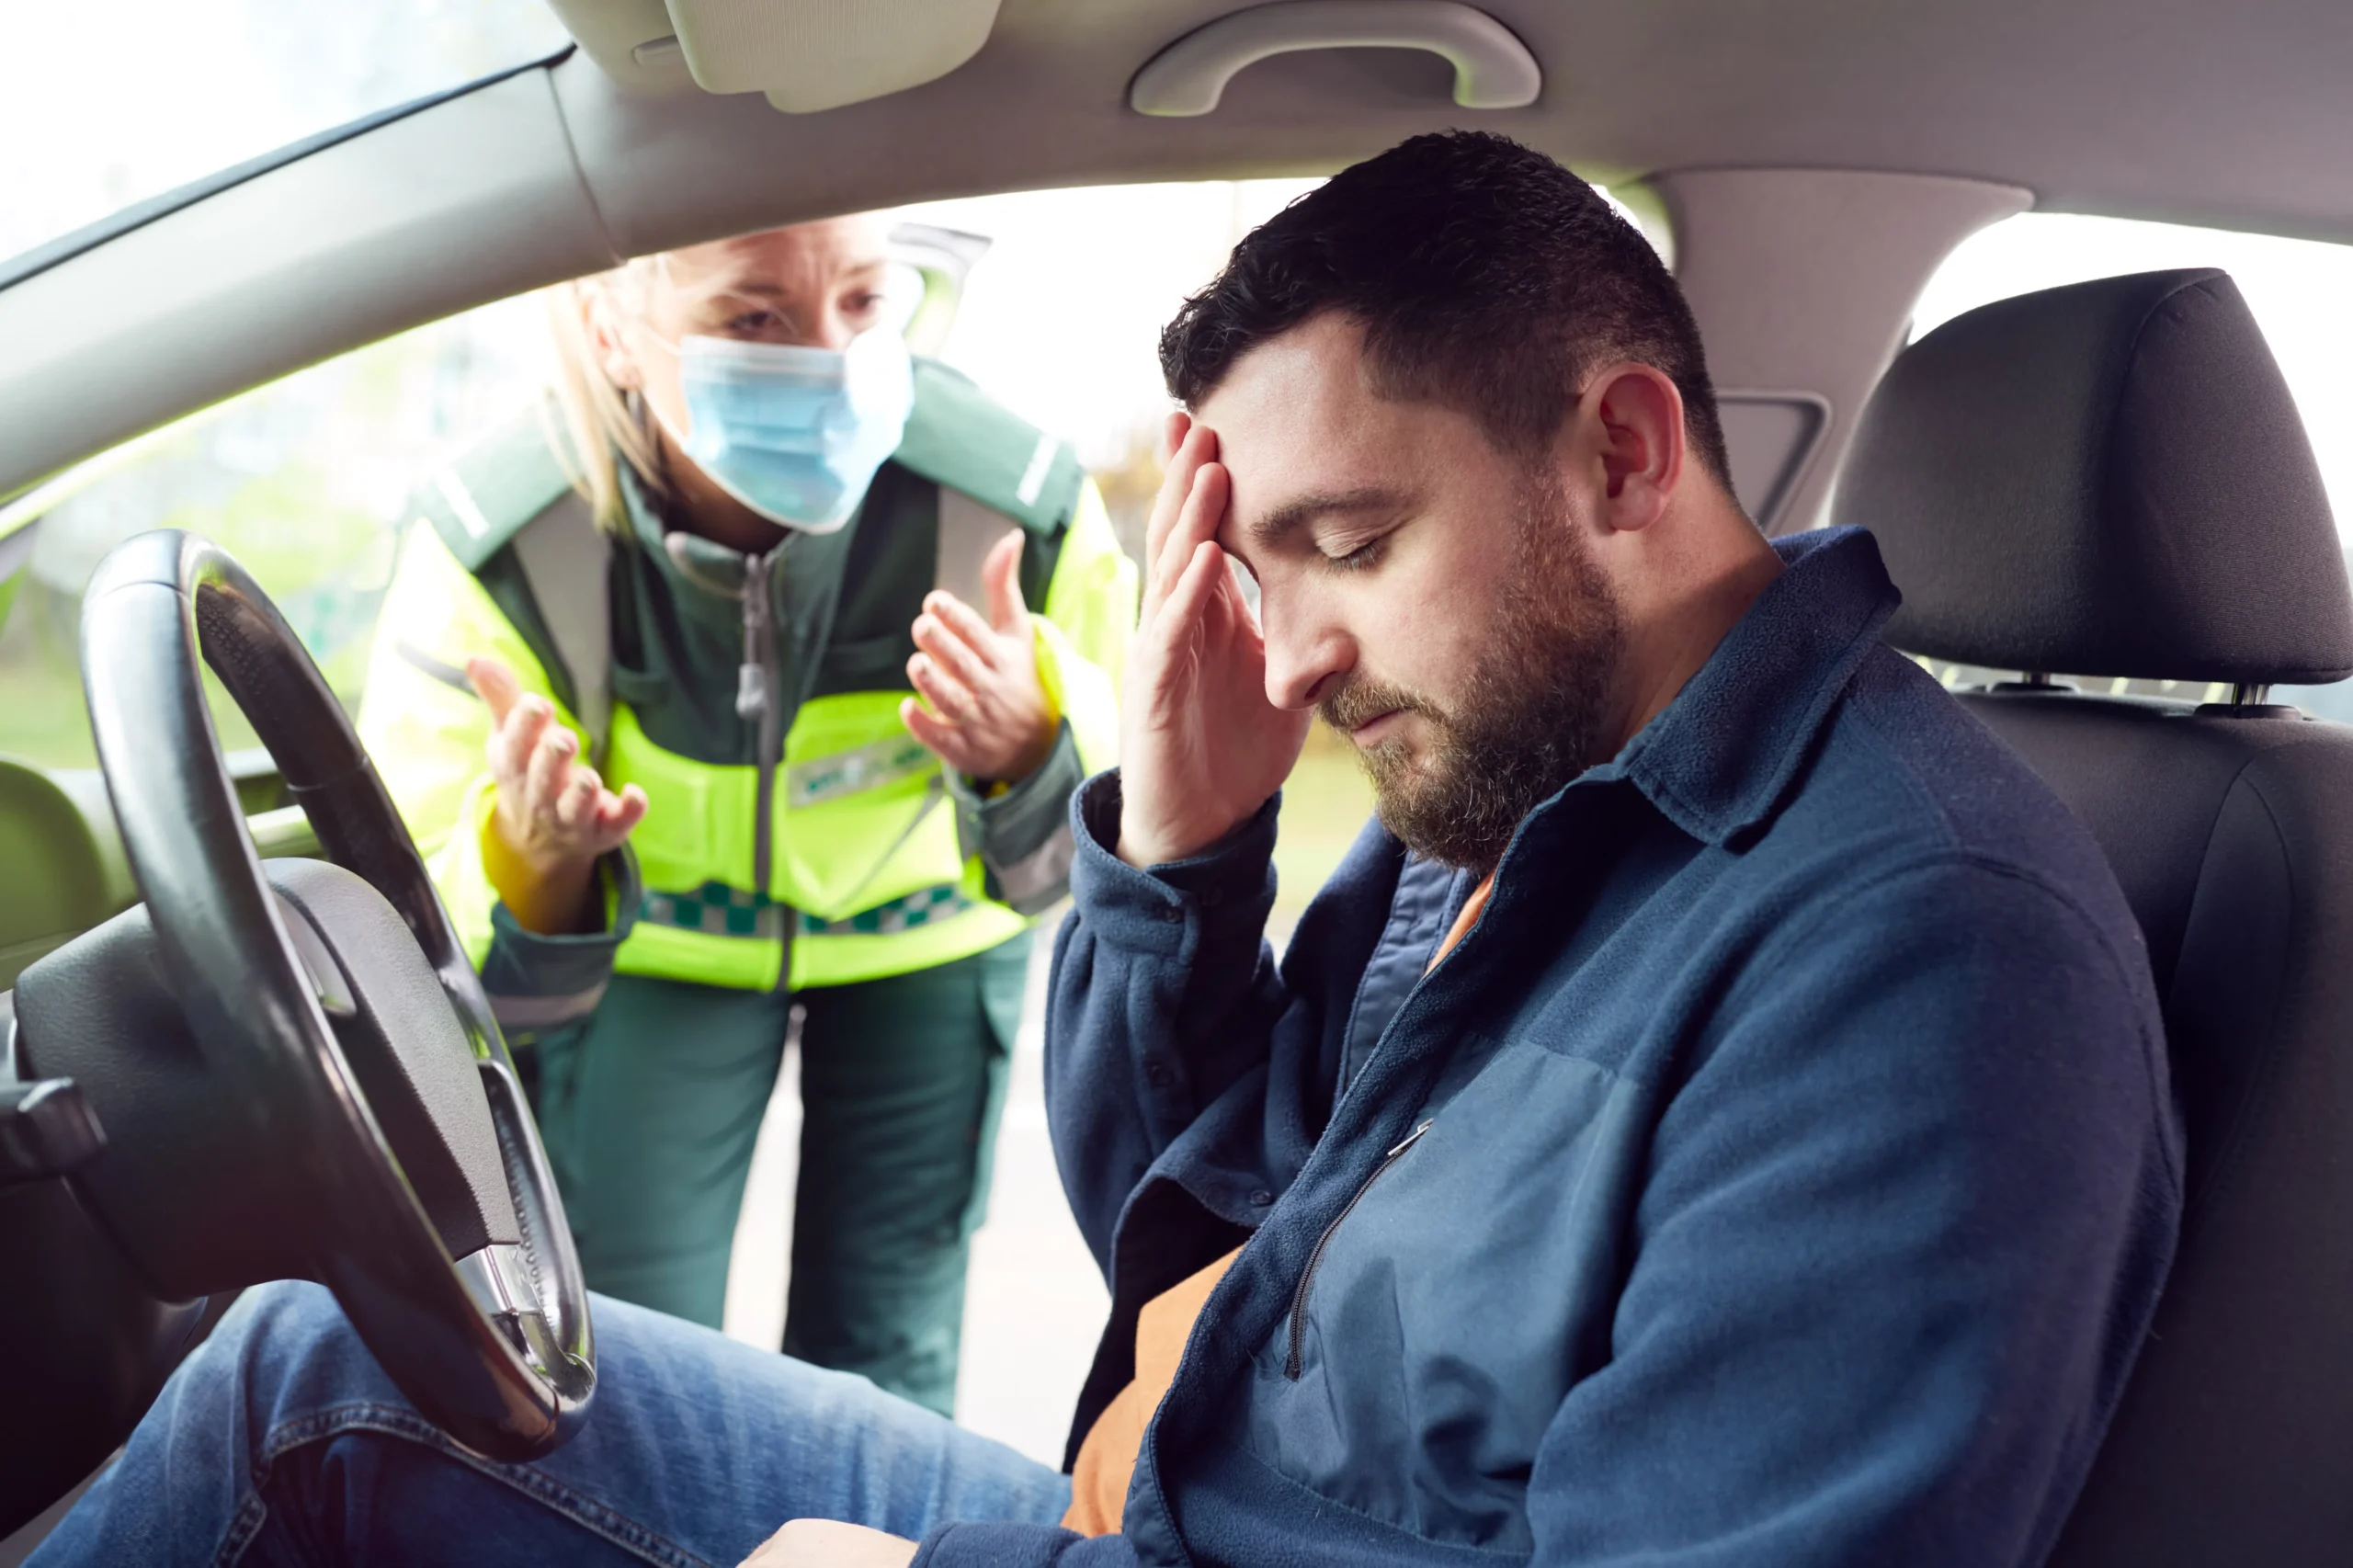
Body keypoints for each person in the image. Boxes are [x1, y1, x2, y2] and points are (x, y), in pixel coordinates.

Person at [28, 131, 2180, 1568]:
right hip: (1124, 1514)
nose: (1298, 640)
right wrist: (1179, 844)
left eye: (1350, 541)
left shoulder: (1925, 958)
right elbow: (1182, 1222)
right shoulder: (1513, 795)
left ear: (1621, 453)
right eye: (1268, 558)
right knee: (312, 1366)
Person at [348, 213, 1138, 1412]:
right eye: (752, 317)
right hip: (659, 954)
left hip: (926, 946)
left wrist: (1030, 753)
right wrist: (538, 859)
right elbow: (420, 921)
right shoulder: (495, 543)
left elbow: (1120, 851)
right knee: (630, 1366)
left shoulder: (1017, 505)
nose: (824, 357)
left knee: (888, 1364)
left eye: (864, 303)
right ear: (615, 327)